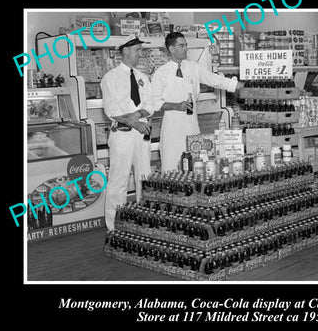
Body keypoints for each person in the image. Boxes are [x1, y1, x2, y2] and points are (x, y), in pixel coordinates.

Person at [151, 31, 245, 172]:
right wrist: (176, 105)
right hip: (171, 129)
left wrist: (238, 86)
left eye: (186, 45)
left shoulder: (193, 67)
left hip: (191, 125)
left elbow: (215, 80)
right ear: (171, 49)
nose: (186, 48)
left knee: (196, 165)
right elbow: (154, 102)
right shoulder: (161, 73)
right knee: (171, 169)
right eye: (181, 45)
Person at [101, 34, 154, 231]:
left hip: (141, 133)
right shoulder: (111, 78)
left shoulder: (142, 77)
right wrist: (134, 123)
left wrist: (138, 115)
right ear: (125, 51)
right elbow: (111, 110)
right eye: (137, 50)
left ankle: (146, 221)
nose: (140, 53)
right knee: (118, 180)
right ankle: (115, 226)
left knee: (144, 177)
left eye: (141, 50)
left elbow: (151, 105)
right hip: (122, 135)